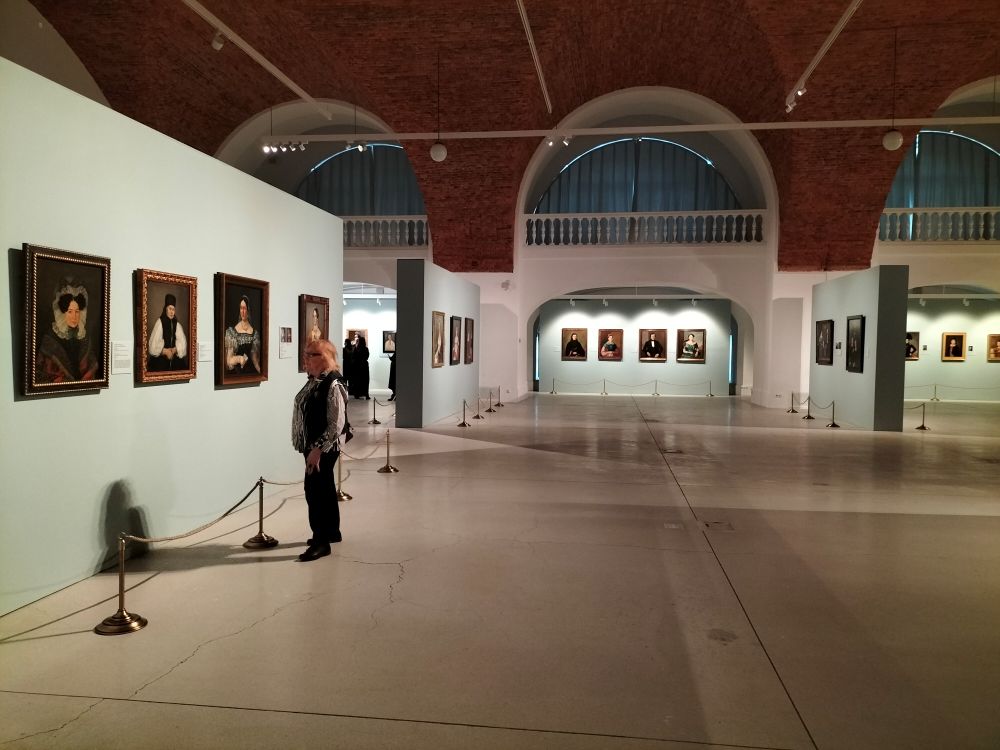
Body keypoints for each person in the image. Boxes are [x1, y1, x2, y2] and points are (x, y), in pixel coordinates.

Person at [291, 339, 348, 562]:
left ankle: (320, 541)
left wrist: (317, 450)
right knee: (324, 487)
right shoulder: (316, 380)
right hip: (314, 445)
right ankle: (332, 532)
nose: (305, 358)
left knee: (314, 491)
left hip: (322, 447)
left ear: (324, 358)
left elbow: (336, 425)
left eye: (310, 354)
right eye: (305, 353)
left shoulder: (332, 384)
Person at [36, 277, 99, 383]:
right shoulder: (49, 340)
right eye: (70, 312)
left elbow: (92, 365)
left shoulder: (84, 338)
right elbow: (40, 373)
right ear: (62, 313)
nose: (74, 317)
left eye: (77, 311)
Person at [147, 293, 188, 371]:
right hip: (161, 361)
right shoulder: (160, 322)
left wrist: (175, 349)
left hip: (174, 360)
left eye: (173, 309)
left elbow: (183, 343)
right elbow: (152, 346)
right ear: (166, 309)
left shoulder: (177, 324)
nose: (172, 312)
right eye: (170, 309)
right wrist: (165, 351)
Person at [224, 294, 261, 374]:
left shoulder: (254, 333)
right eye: (241, 308)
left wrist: (261, 372)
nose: (243, 312)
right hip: (237, 374)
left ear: (249, 310)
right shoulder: (232, 332)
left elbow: (255, 360)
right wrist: (239, 358)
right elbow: (228, 360)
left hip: (251, 373)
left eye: (245, 308)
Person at [349, 332, 370, 399]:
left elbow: (353, 357)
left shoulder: (356, 348)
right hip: (364, 366)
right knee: (365, 381)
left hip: (357, 366)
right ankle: (366, 394)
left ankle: (357, 394)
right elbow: (367, 357)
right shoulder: (366, 349)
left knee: (357, 380)